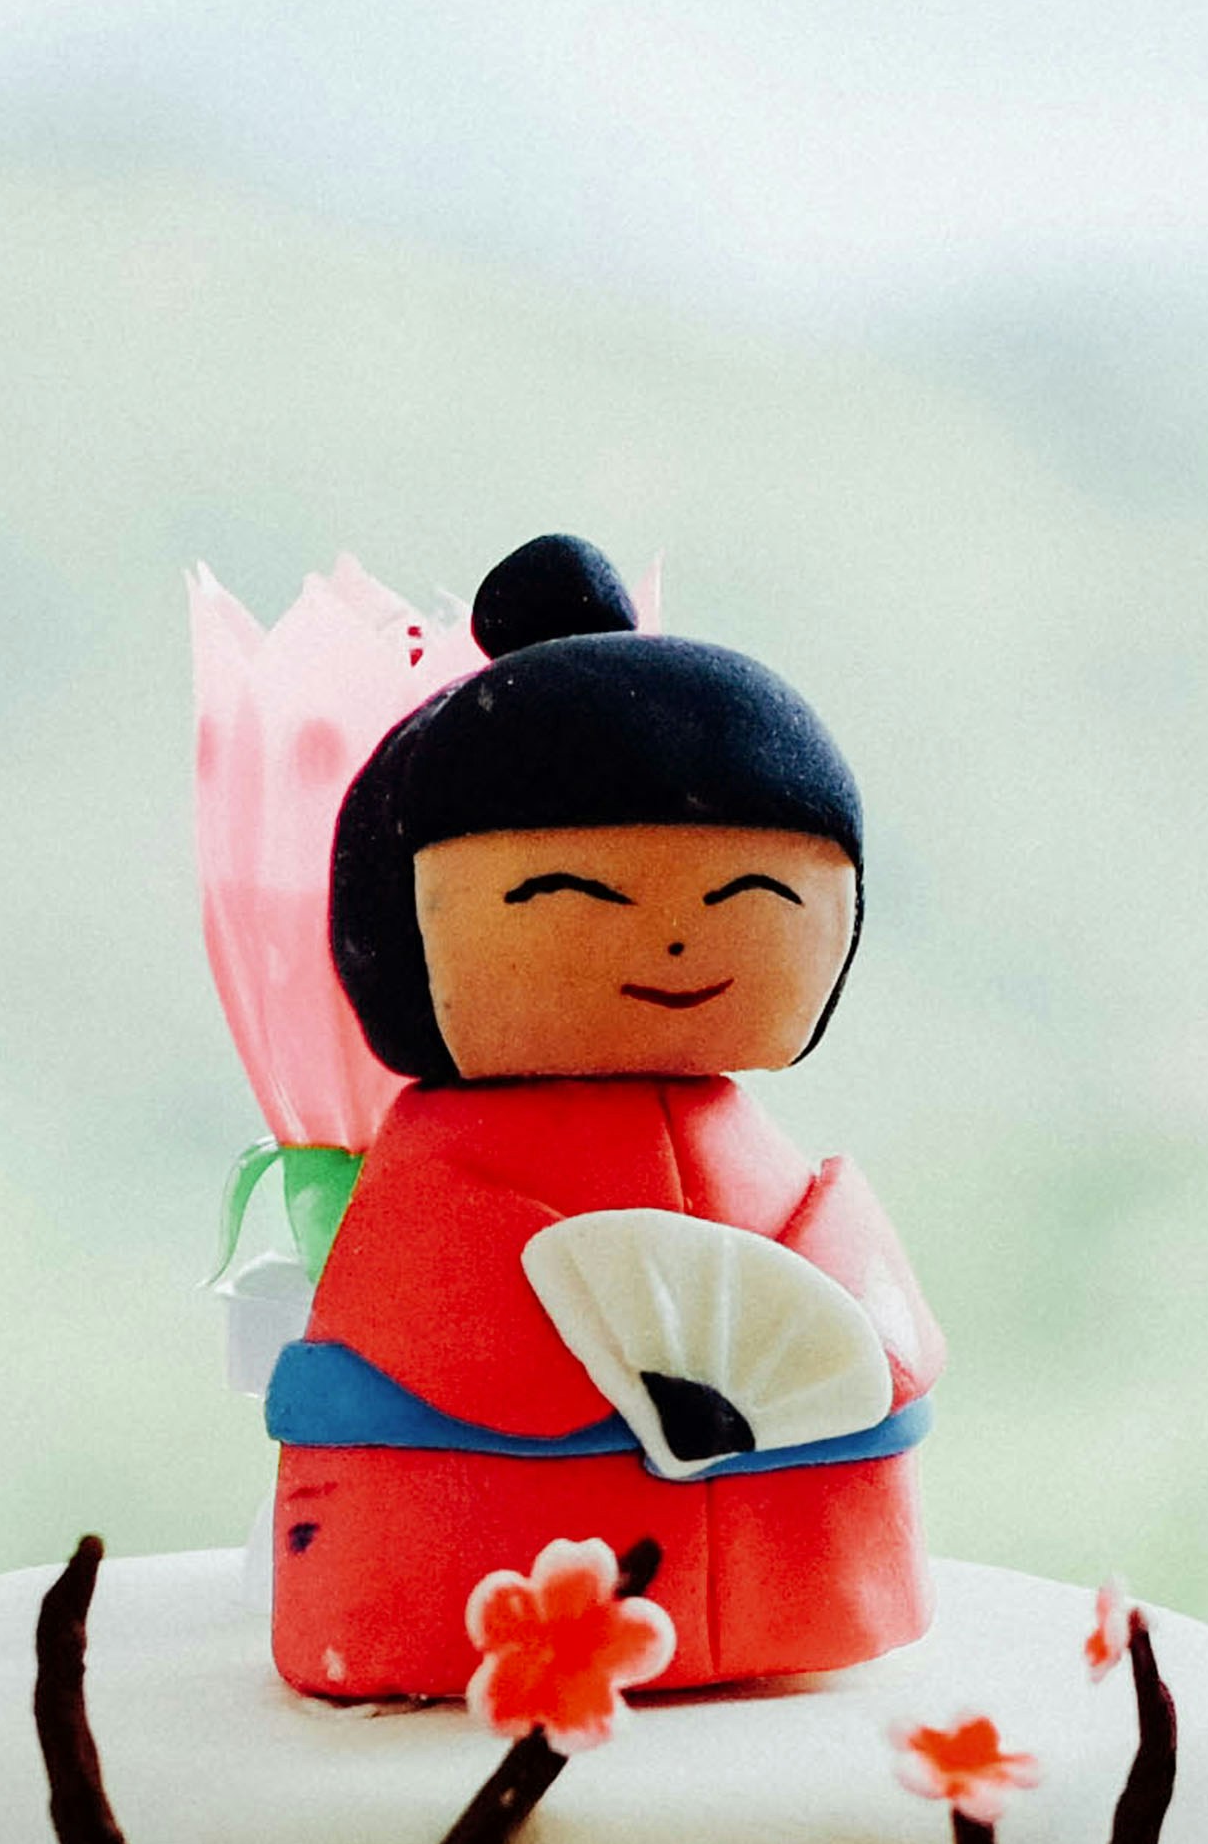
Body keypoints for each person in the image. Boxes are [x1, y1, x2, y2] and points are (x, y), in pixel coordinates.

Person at [258, 534, 933, 1703]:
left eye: (750, 900)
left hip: (802, 1558)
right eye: (572, 897)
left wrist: (843, 1335)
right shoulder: (440, 1165)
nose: (676, 939)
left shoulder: (747, 1139)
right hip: (479, 1559)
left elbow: (846, 1317)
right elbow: (435, 1308)